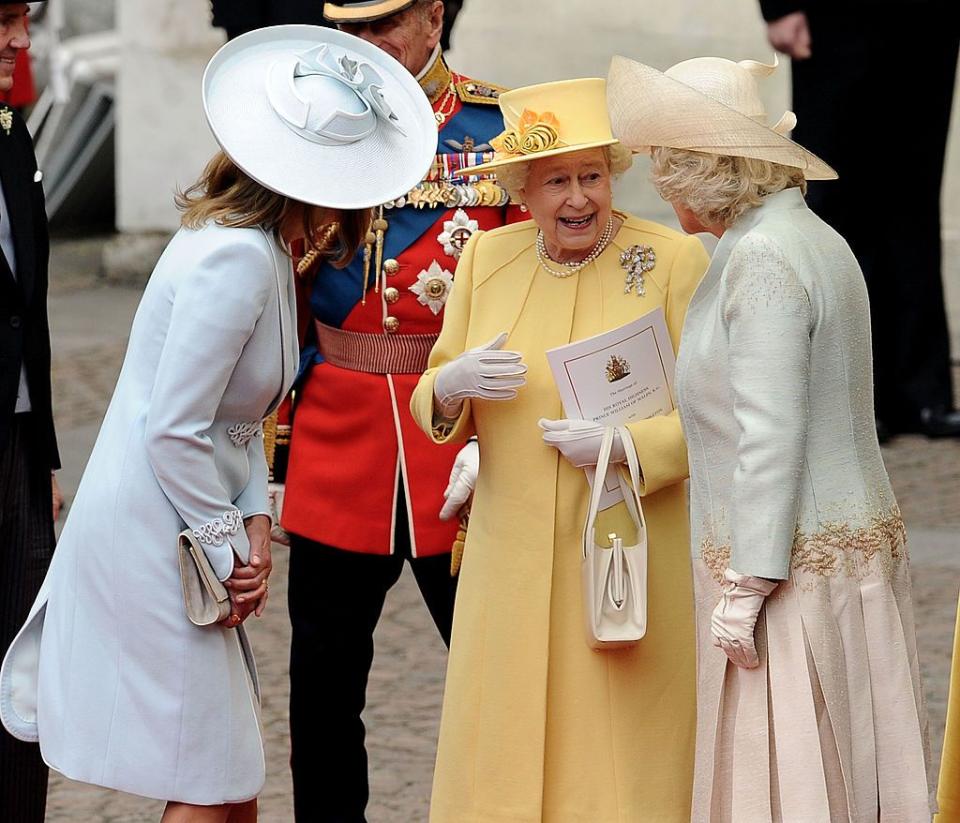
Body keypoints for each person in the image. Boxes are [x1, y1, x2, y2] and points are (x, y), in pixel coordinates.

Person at [0, 26, 437, 823]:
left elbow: (233, 427)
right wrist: (229, 543)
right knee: (211, 781)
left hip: (183, 522)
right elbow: (173, 427)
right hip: (151, 532)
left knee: (230, 777)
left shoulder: (260, 246)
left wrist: (258, 522)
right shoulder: (235, 259)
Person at [608, 54, 932, 820]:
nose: (657, 181)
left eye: (664, 164)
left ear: (700, 171)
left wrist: (747, 585)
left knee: (791, 774)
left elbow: (771, 434)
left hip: (790, 568)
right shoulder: (809, 236)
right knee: (846, 762)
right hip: (840, 548)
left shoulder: (760, 258)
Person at [410, 77, 710, 822]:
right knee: (505, 750)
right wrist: (453, 383)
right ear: (522, 189)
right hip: (509, 560)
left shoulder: (672, 262)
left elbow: (715, 418)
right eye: (556, 182)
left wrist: (628, 445)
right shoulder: (487, 258)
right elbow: (431, 397)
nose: (579, 199)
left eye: (592, 176)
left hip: (625, 547)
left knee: (619, 750)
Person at [279, 1, 515, 819]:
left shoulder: (497, 124)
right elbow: (282, 291)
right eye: (349, 29)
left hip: (459, 439)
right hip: (338, 440)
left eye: (383, 25)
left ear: (433, 18)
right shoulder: (307, 122)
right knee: (323, 686)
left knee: (496, 673)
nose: (363, 46)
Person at [759, 0, 960, 439]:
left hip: (927, 25)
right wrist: (779, 5)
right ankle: (851, 400)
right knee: (836, 202)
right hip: (835, 23)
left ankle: (923, 395)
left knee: (915, 198)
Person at [0, 4, 60, 821]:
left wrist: (44, 456)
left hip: (15, 446)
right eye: (6, 18)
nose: (22, 38)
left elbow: (32, 304)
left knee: (20, 676)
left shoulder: (13, 127)